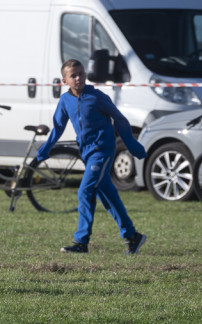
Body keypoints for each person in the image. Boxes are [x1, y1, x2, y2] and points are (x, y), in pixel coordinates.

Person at [37, 59, 147, 254]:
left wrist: (132, 145)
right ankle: (132, 236)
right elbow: (58, 127)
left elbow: (120, 120)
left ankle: (81, 242)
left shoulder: (97, 97)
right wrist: (46, 148)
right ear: (65, 80)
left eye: (81, 73)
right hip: (87, 153)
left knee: (85, 191)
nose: (79, 78)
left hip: (102, 151)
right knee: (108, 196)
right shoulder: (65, 101)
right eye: (73, 75)